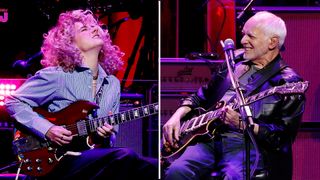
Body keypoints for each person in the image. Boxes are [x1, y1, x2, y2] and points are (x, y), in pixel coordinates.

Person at [5, 9, 157, 179]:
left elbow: (110, 140)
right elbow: (12, 101)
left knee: (156, 167)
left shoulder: (112, 84)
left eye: (96, 26)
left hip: (89, 159)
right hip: (57, 160)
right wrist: (48, 129)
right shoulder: (58, 75)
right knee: (125, 156)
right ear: (70, 43)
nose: (94, 29)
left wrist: (104, 135)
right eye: (85, 29)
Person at [162, 11, 306, 179]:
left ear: (272, 42)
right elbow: (202, 94)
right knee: (176, 172)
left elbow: (282, 139)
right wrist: (177, 116)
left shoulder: (288, 82)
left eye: (250, 36)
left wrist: (242, 124)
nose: (243, 41)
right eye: (243, 34)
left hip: (244, 144)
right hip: (209, 138)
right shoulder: (234, 60)